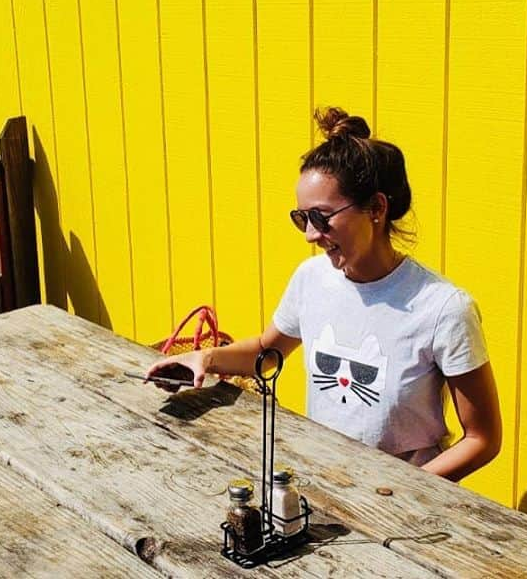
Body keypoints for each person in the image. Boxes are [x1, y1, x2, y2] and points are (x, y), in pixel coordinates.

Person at [145, 107, 501, 482]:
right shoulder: (311, 279)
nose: (310, 235)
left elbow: (482, 438)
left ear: (377, 208)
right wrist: (205, 358)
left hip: (403, 506)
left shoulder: (444, 308)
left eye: (321, 217)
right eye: (301, 218)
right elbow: (268, 351)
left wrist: (407, 491)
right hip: (323, 481)